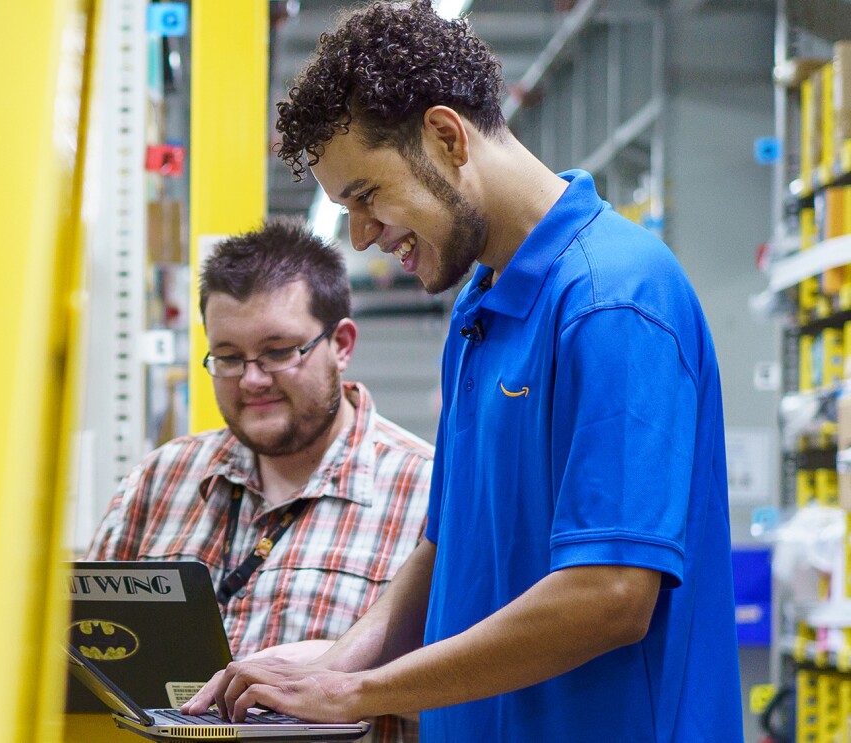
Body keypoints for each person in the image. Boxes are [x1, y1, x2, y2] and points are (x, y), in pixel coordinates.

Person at [183, 3, 744, 741]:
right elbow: (445, 541)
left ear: (447, 137)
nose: (360, 235)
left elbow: (609, 592)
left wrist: (360, 689)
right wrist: (337, 663)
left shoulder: (611, 300)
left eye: (365, 195)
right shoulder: (482, 302)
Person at [85, 218, 434, 743]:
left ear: (340, 343)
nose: (251, 379)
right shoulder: (158, 481)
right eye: (227, 357)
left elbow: (485, 696)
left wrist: (350, 674)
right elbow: (80, 664)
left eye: (277, 351)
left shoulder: (431, 494)